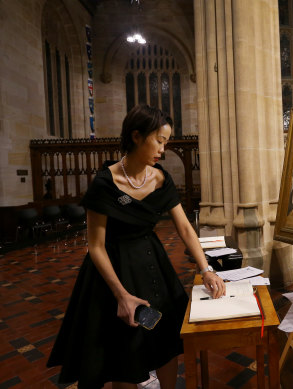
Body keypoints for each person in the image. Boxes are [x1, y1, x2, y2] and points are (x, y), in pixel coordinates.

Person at [47, 105, 226, 389]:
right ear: (136, 136)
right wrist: (121, 295)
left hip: (152, 265)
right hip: (113, 271)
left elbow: (184, 228)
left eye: (166, 142)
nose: (163, 150)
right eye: (159, 140)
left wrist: (206, 269)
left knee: (165, 341)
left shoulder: (160, 178)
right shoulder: (105, 183)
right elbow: (95, 246)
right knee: (124, 353)